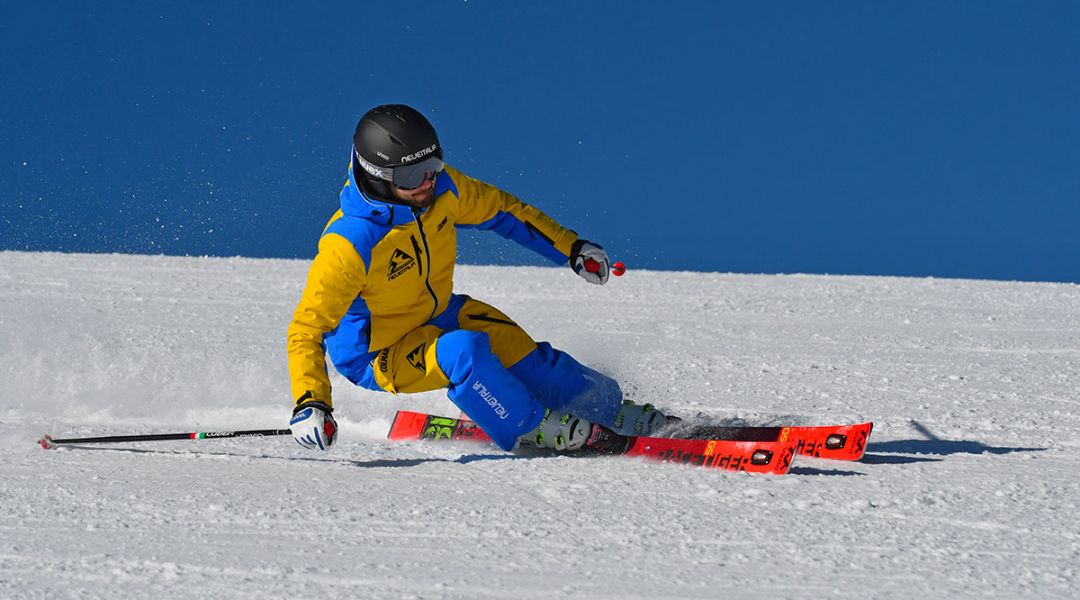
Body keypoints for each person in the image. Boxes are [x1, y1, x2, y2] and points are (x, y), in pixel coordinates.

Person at [286, 104, 668, 453]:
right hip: (379, 352)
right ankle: (530, 424)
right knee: (463, 352)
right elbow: (307, 329)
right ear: (379, 177)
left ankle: (610, 410)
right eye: (412, 174)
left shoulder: (443, 190)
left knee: (518, 349)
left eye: (432, 165)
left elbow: (504, 212)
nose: (427, 181)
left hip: (438, 313)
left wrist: (571, 249)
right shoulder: (350, 244)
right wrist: (311, 401)